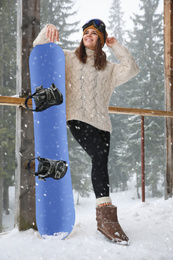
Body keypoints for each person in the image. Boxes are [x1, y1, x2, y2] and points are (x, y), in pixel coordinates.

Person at [33, 19, 139, 245]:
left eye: (94, 33)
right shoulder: (69, 58)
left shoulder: (109, 68)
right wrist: (48, 29)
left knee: (100, 163)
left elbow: (132, 68)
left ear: (100, 39)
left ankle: (106, 218)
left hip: (103, 125)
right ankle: (107, 219)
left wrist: (116, 46)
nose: (88, 35)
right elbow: (39, 49)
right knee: (99, 157)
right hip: (78, 119)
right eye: (86, 32)